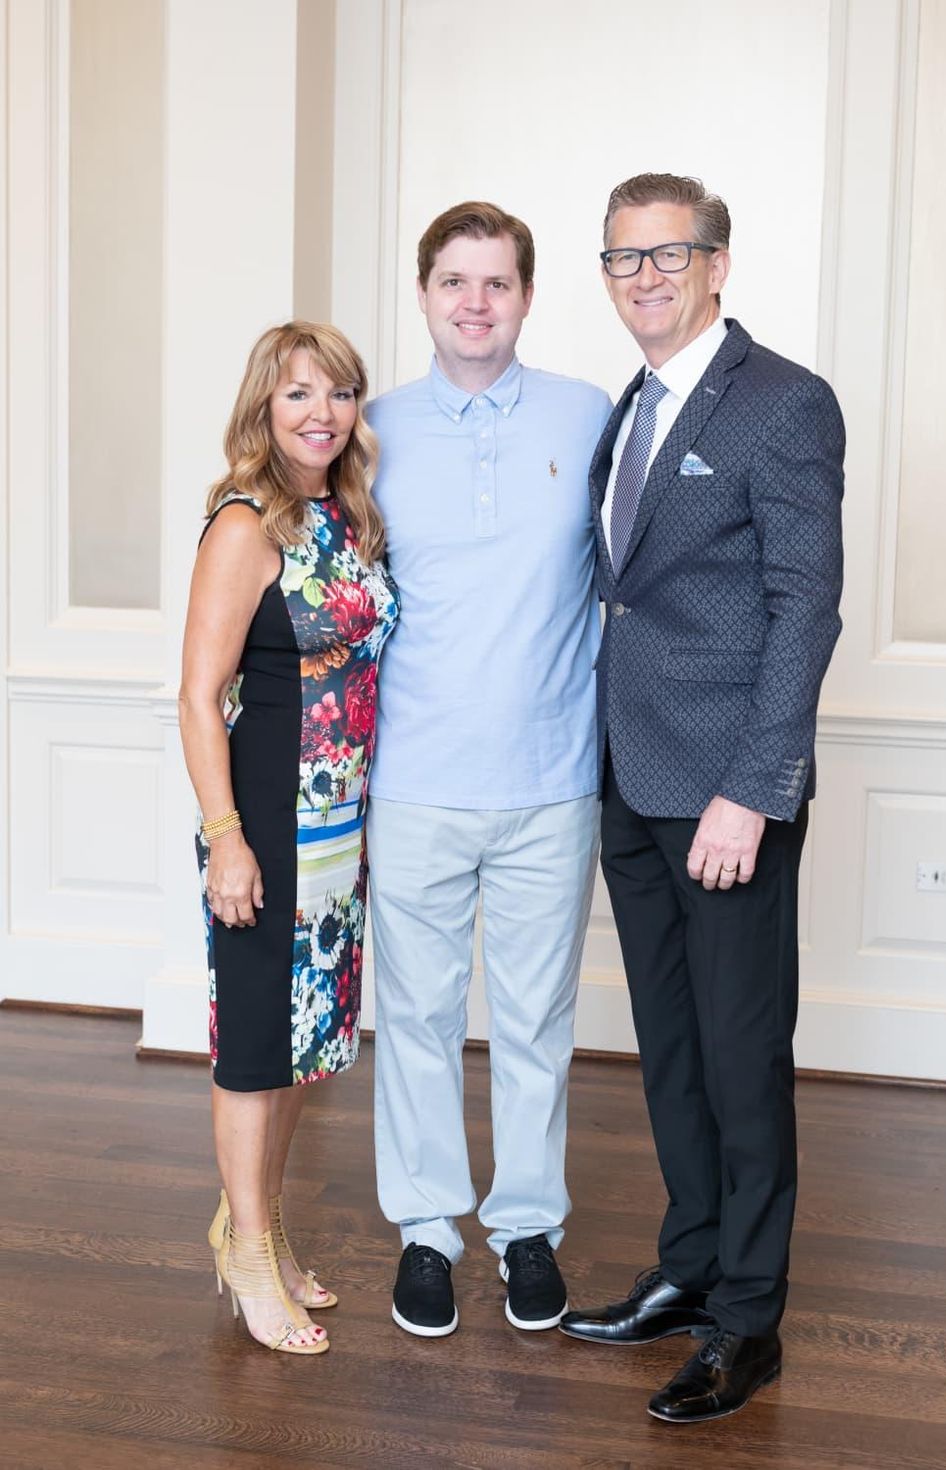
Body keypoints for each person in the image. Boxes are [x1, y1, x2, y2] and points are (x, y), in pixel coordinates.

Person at [559, 174, 845, 1424]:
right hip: (628, 777)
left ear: (716, 265)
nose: (644, 277)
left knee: (739, 1055)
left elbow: (803, 608)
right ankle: (688, 1268)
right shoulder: (630, 403)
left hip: (723, 794)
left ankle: (746, 1322)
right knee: (670, 1048)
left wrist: (750, 790)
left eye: (667, 255)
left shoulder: (782, 400)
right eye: (622, 258)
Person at [364, 202, 612, 1337]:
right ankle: (426, 1231)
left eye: (496, 282)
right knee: (414, 1018)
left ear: (526, 296)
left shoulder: (587, 414)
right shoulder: (370, 430)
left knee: (534, 1023)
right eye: (454, 282)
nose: (475, 303)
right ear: (423, 294)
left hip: (550, 781)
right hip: (412, 779)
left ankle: (525, 1232)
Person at [178, 321, 398, 1355]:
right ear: (263, 407)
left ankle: (257, 1227)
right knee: (257, 1047)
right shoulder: (244, 524)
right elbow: (197, 696)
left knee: (308, 1046)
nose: (322, 413)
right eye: (299, 394)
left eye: (339, 393)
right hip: (266, 817)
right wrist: (226, 839)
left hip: (339, 824)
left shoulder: (344, 516)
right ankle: (249, 1258)